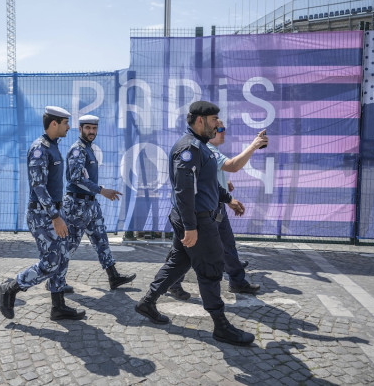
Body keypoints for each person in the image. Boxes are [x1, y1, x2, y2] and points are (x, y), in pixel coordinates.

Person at [134, 101, 254, 346]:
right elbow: (184, 190)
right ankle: (221, 327)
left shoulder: (203, 147)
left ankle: (147, 302)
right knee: (211, 269)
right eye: (214, 120)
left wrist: (229, 199)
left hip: (196, 218)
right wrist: (190, 227)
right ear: (200, 120)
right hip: (197, 221)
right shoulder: (189, 148)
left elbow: (208, 184)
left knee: (179, 262)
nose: (218, 124)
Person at [0, 106, 85, 321]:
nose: (69, 127)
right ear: (53, 123)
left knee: (62, 258)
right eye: (65, 123)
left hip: (55, 211)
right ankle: (10, 288)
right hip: (42, 215)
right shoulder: (40, 149)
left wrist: (59, 213)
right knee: (51, 261)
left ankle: (58, 307)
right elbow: (38, 186)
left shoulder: (54, 146)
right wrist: (55, 217)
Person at [167, 121, 267, 299]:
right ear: (209, 129)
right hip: (200, 210)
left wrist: (225, 183)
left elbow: (211, 176)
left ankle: (236, 280)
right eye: (219, 129)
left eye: (223, 129)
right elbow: (233, 165)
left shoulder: (210, 150)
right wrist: (254, 145)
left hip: (212, 207)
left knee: (224, 245)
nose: (223, 133)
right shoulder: (206, 149)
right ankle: (167, 286)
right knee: (185, 250)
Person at [63, 114, 136, 290]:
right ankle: (55, 280)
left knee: (101, 240)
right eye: (88, 128)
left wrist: (98, 191)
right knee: (69, 246)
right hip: (76, 206)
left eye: (94, 128)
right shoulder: (78, 150)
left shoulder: (89, 149)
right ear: (80, 129)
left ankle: (113, 277)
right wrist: (102, 190)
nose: (91, 131)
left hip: (90, 205)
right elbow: (76, 179)